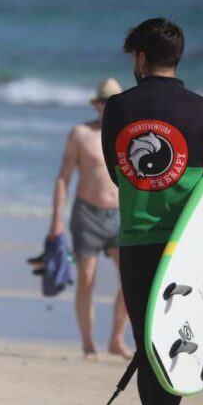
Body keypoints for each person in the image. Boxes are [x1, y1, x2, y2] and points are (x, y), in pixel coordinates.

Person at [102, 17, 203, 405]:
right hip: (190, 247)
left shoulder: (118, 108)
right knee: (175, 343)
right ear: (178, 58)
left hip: (137, 243)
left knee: (149, 344)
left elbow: (116, 172)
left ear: (140, 59)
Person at [48, 78, 133, 361]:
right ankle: (87, 343)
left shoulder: (130, 135)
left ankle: (117, 338)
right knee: (86, 280)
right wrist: (56, 220)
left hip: (121, 214)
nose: (108, 107)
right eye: (105, 102)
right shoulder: (81, 134)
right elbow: (63, 178)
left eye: (114, 102)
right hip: (87, 214)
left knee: (130, 281)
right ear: (97, 104)